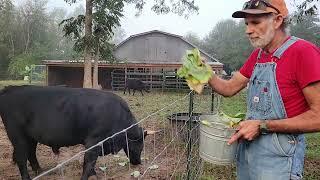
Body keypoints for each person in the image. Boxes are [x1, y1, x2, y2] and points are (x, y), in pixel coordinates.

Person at [206, 0, 320, 179]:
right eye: (246, 24)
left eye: (256, 22)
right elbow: (229, 88)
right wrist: (204, 73)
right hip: (249, 152)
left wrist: (263, 126)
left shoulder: (303, 52)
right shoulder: (259, 55)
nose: (248, 30)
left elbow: (318, 117)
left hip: (279, 158)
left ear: (277, 20)